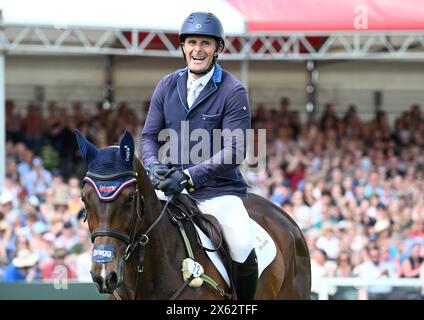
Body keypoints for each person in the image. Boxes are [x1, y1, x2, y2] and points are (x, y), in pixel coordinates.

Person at [141, 12, 257, 299]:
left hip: (217, 192)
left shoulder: (233, 90)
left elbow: (234, 150)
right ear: (182, 46)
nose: (198, 49)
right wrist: (153, 165)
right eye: (192, 42)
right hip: (169, 187)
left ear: (218, 49)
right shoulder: (166, 85)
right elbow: (148, 137)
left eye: (205, 43)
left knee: (242, 246)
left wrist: (189, 177)